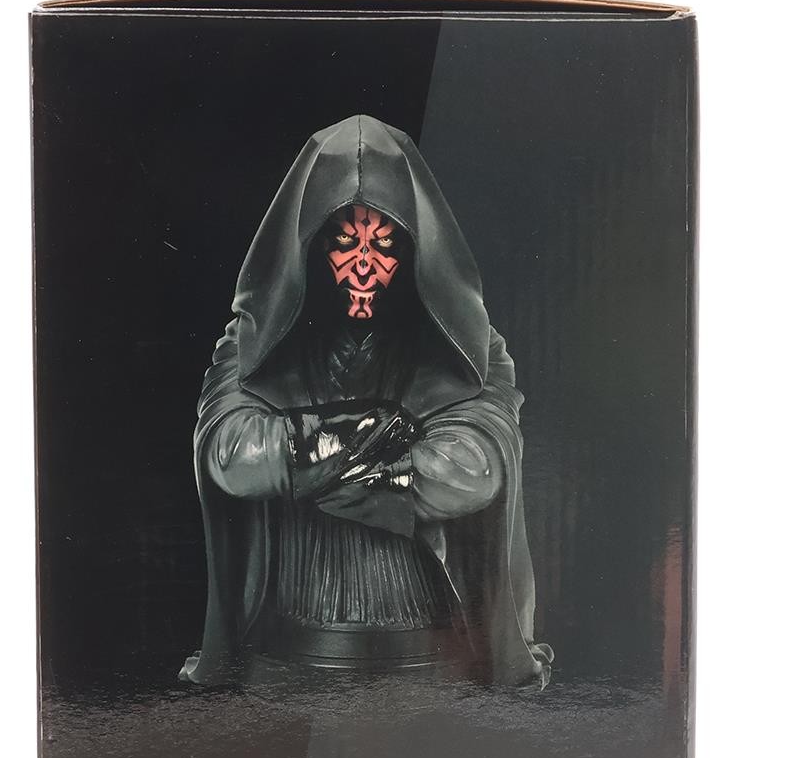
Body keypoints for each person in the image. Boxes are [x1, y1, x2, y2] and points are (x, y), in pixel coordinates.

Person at [177, 114, 551, 689]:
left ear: (414, 249)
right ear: (312, 247)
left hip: (432, 668)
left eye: (384, 244)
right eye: (345, 242)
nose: (363, 267)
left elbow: (476, 468)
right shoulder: (253, 344)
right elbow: (228, 455)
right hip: (284, 665)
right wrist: (379, 434)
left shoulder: (469, 349)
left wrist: (307, 461)